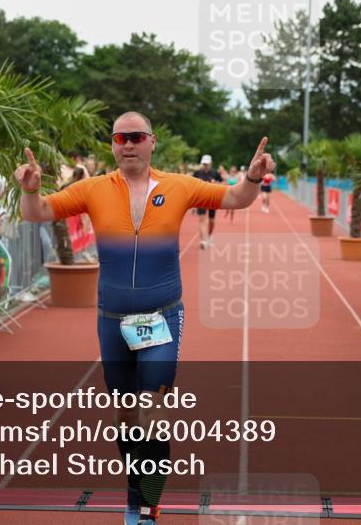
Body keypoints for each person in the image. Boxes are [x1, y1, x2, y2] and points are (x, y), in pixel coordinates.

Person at [16, 111, 274, 525]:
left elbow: (234, 199)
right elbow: (38, 212)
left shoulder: (179, 185)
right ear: (113, 146)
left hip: (161, 317)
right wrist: (29, 190)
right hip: (112, 318)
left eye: (136, 137)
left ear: (152, 142)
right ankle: (135, 487)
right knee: (123, 413)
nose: (129, 145)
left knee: (152, 408)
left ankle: (146, 502)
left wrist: (253, 176)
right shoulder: (93, 188)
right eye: (121, 139)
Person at [192, 154, 223, 249]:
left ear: (211, 163)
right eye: (204, 164)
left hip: (212, 199)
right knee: (202, 219)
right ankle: (203, 240)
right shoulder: (197, 173)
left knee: (211, 221)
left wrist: (216, 184)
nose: (205, 165)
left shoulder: (215, 173)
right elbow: (192, 185)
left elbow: (221, 183)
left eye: (207, 164)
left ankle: (209, 236)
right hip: (201, 199)